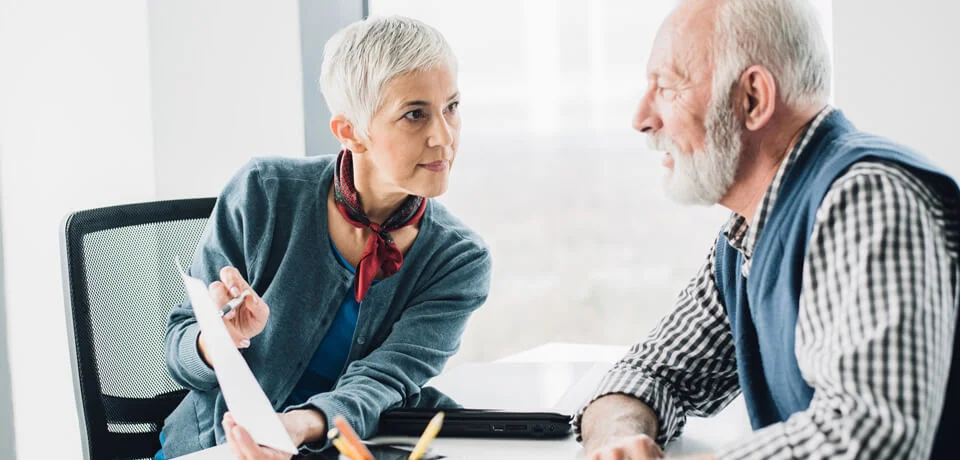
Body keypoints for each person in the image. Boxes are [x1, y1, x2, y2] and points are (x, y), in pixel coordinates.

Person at [576, 0, 960, 459]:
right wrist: (617, 440)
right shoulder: (746, 235)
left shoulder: (866, 199)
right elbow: (651, 372)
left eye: (668, 87)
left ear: (752, 98)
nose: (642, 118)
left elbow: (869, 438)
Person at [157, 15, 491, 459]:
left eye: (451, 107)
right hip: (219, 447)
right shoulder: (263, 192)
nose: (444, 137)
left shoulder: (458, 259)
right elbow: (178, 345)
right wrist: (217, 341)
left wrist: (295, 427)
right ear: (350, 131)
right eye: (415, 115)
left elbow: (386, 379)